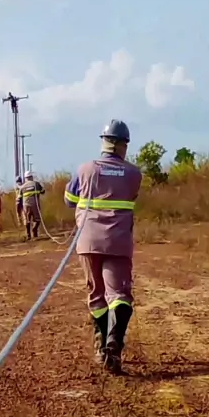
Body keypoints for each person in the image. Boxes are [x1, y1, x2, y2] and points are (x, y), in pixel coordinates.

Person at [64, 120, 142, 375]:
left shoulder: (84, 169)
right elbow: (129, 195)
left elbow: (69, 200)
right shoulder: (133, 174)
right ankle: (114, 343)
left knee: (96, 294)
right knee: (119, 295)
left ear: (103, 142)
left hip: (88, 241)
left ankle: (101, 346)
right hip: (118, 241)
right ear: (123, 145)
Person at [17, 170, 45, 240]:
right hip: (35, 204)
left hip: (26, 205)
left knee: (27, 220)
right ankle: (34, 229)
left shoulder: (22, 187)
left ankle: (28, 235)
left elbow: (19, 199)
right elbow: (43, 191)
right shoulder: (36, 184)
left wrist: (19, 210)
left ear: (25, 178)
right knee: (37, 219)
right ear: (31, 177)